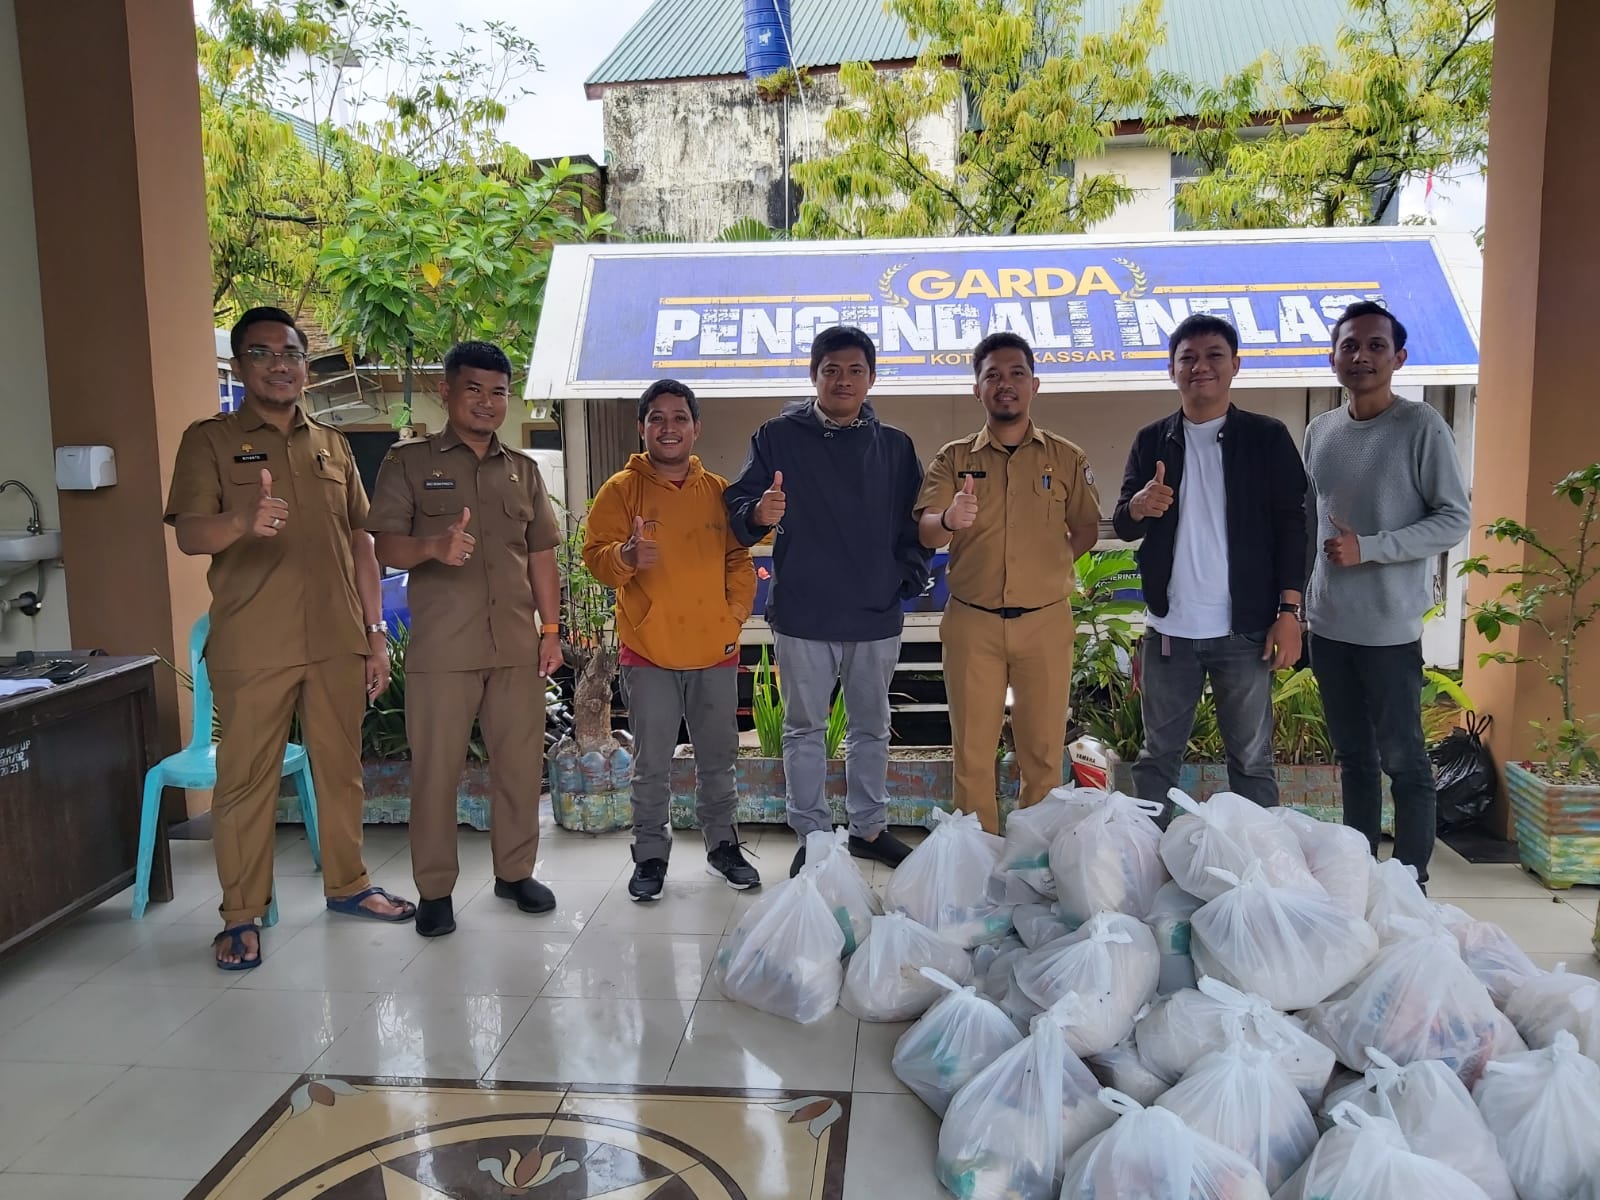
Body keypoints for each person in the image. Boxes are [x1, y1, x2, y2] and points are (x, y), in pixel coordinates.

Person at [165, 307, 415, 970]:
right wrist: (241, 520)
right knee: (246, 780)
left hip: (337, 638)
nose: (281, 364)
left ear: (307, 364)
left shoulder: (332, 446)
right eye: (263, 352)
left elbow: (362, 542)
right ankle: (240, 915)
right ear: (241, 365)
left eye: (292, 352)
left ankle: (350, 885)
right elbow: (191, 534)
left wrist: (376, 633)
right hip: (255, 641)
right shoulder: (210, 441)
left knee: (342, 770)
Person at [366, 341, 564, 937]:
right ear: (448, 392)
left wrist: (551, 632)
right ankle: (434, 890)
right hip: (442, 651)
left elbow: (542, 558)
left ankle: (514, 873)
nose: (487, 401)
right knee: (435, 772)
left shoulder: (523, 471)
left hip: (514, 648)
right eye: (474, 389)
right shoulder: (407, 463)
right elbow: (385, 545)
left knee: (520, 768)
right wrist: (433, 547)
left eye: (499, 391)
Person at [724, 325, 932, 876]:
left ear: (872, 377)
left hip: (875, 612)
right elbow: (741, 501)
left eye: (855, 370)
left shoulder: (895, 446)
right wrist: (758, 514)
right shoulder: (777, 436)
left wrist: (902, 584)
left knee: (871, 728)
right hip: (804, 612)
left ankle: (868, 828)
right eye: (831, 369)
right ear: (814, 375)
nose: (843, 380)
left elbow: (915, 527)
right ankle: (812, 833)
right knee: (803, 729)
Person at [1113, 314, 1308, 816]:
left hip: (1243, 630)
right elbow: (1125, 522)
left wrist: (1289, 612)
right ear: (1172, 369)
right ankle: (1143, 872)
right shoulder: (1152, 439)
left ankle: (1260, 872)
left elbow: (1293, 526)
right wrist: (1139, 505)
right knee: (1157, 759)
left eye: (1214, 356)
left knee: (1252, 760)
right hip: (1170, 630)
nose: (1200, 367)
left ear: (1235, 364)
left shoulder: (1267, 437)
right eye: (1188, 358)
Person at [1305, 301, 1472, 884]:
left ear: (1399, 357)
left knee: (1405, 763)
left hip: (1389, 630)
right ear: (1332, 358)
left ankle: (1409, 882)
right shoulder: (1319, 430)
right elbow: (1312, 520)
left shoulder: (1421, 426)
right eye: (1350, 345)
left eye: (1376, 346)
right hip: (1327, 627)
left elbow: (1454, 519)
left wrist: (1371, 547)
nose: (1362, 356)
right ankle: (1358, 873)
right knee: (1353, 760)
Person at [915, 332, 1101, 832]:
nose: (1005, 384)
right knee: (972, 754)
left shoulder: (1065, 458)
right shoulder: (953, 459)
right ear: (976, 388)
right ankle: (977, 859)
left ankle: (1031, 856)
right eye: (992, 375)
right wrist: (951, 518)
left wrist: (1046, 562)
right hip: (973, 622)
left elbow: (1085, 527)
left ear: (1034, 385)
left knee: (1042, 752)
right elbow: (927, 529)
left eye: (1016, 373)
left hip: (1045, 621)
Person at [583, 380, 760, 900]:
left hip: (715, 650)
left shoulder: (719, 492)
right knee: (652, 763)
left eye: (679, 417)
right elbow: (596, 558)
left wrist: (733, 617)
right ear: (642, 428)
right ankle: (650, 855)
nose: (668, 427)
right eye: (656, 418)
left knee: (718, 759)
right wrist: (627, 558)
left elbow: (739, 560)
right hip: (648, 652)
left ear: (695, 428)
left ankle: (723, 846)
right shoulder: (620, 490)